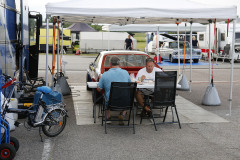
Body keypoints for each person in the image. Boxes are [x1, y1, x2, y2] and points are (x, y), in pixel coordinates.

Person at [97, 56, 131, 124]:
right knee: (124, 94)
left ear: (110, 64)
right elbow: (129, 85)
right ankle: (122, 114)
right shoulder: (125, 73)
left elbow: (98, 89)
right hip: (126, 102)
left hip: (111, 102)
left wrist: (102, 80)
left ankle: (108, 117)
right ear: (119, 64)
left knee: (107, 96)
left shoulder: (105, 75)